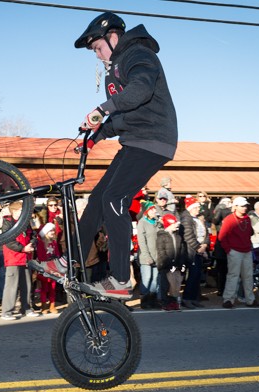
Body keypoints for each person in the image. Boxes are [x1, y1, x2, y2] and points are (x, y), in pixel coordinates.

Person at [31, 12, 178, 300]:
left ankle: (121, 278)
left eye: (98, 48)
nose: (98, 56)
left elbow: (141, 89)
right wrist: (95, 137)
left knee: (114, 199)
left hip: (154, 140)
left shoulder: (138, 53)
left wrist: (102, 108)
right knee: (98, 199)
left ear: (113, 36)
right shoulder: (115, 69)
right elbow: (126, 115)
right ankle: (69, 262)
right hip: (136, 139)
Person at [218, 196, 259, 309]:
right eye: (242, 206)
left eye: (245, 206)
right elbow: (222, 236)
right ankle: (228, 299)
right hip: (235, 251)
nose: (244, 208)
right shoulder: (229, 220)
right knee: (233, 275)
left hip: (246, 250)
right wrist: (229, 250)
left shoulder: (247, 219)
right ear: (235, 207)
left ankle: (250, 299)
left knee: (248, 276)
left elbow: (249, 233)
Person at [0, 201, 39, 320]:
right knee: (11, 285)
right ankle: (7, 311)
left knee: (26, 284)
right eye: (22, 210)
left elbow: (32, 235)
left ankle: (26, 308)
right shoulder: (7, 222)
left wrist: (32, 243)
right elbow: (8, 241)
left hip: (26, 257)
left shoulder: (25, 222)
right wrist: (23, 248)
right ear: (15, 211)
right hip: (13, 257)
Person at [180, 195, 209, 309]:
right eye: (196, 208)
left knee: (197, 275)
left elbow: (206, 232)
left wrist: (205, 244)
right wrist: (198, 248)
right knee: (192, 275)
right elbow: (188, 236)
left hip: (199, 250)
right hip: (191, 251)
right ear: (190, 208)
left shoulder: (198, 219)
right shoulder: (186, 219)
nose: (198, 210)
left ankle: (194, 298)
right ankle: (187, 298)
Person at [156, 214, 188, 312]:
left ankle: (174, 302)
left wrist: (181, 263)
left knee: (175, 284)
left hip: (176, 265)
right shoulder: (161, 237)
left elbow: (182, 251)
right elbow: (162, 253)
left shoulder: (178, 236)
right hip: (165, 265)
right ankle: (165, 303)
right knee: (165, 285)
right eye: (174, 223)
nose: (176, 226)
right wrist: (170, 264)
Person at [136, 200, 161, 309]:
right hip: (146, 256)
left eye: (155, 209)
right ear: (147, 211)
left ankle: (152, 300)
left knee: (155, 279)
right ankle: (144, 301)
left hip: (157, 255)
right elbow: (141, 241)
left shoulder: (156, 222)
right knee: (147, 278)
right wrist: (146, 256)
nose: (154, 211)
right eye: (152, 209)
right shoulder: (142, 222)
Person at [35, 222, 61, 314]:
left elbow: (57, 253)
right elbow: (41, 256)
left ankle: (52, 305)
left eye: (53, 230)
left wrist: (57, 260)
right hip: (45, 269)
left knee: (53, 288)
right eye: (50, 230)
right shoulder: (41, 244)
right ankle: (43, 306)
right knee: (44, 288)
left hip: (53, 269)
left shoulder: (54, 242)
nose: (53, 232)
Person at [211, 197, 233, 297]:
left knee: (228, 269)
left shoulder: (235, 213)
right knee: (222, 268)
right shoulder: (221, 211)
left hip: (231, 242)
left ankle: (226, 289)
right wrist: (220, 210)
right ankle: (221, 289)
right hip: (222, 242)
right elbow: (215, 222)